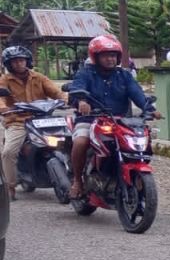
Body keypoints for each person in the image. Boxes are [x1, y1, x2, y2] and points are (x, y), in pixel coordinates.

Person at [67, 36, 157, 199]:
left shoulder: (124, 75)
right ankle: (78, 180)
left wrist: (149, 108)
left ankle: (131, 176)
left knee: (141, 143)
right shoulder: (85, 74)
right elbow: (76, 90)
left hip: (120, 121)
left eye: (113, 55)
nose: (110, 59)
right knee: (81, 142)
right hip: (90, 119)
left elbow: (137, 94)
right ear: (96, 57)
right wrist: (81, 101)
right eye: (105, 55)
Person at [0, 46, 65, 201]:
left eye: (21, 60)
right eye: (14, 61)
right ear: (9, 64)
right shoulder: (4, 80)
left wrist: (67, 99)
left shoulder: (39, 77)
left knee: (69, 142)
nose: (18, 64)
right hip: (18, 121)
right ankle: (10, 187)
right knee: (8, 152)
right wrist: (3, 108)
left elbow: (56, 92)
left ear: (27, 61)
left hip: (43, 120)